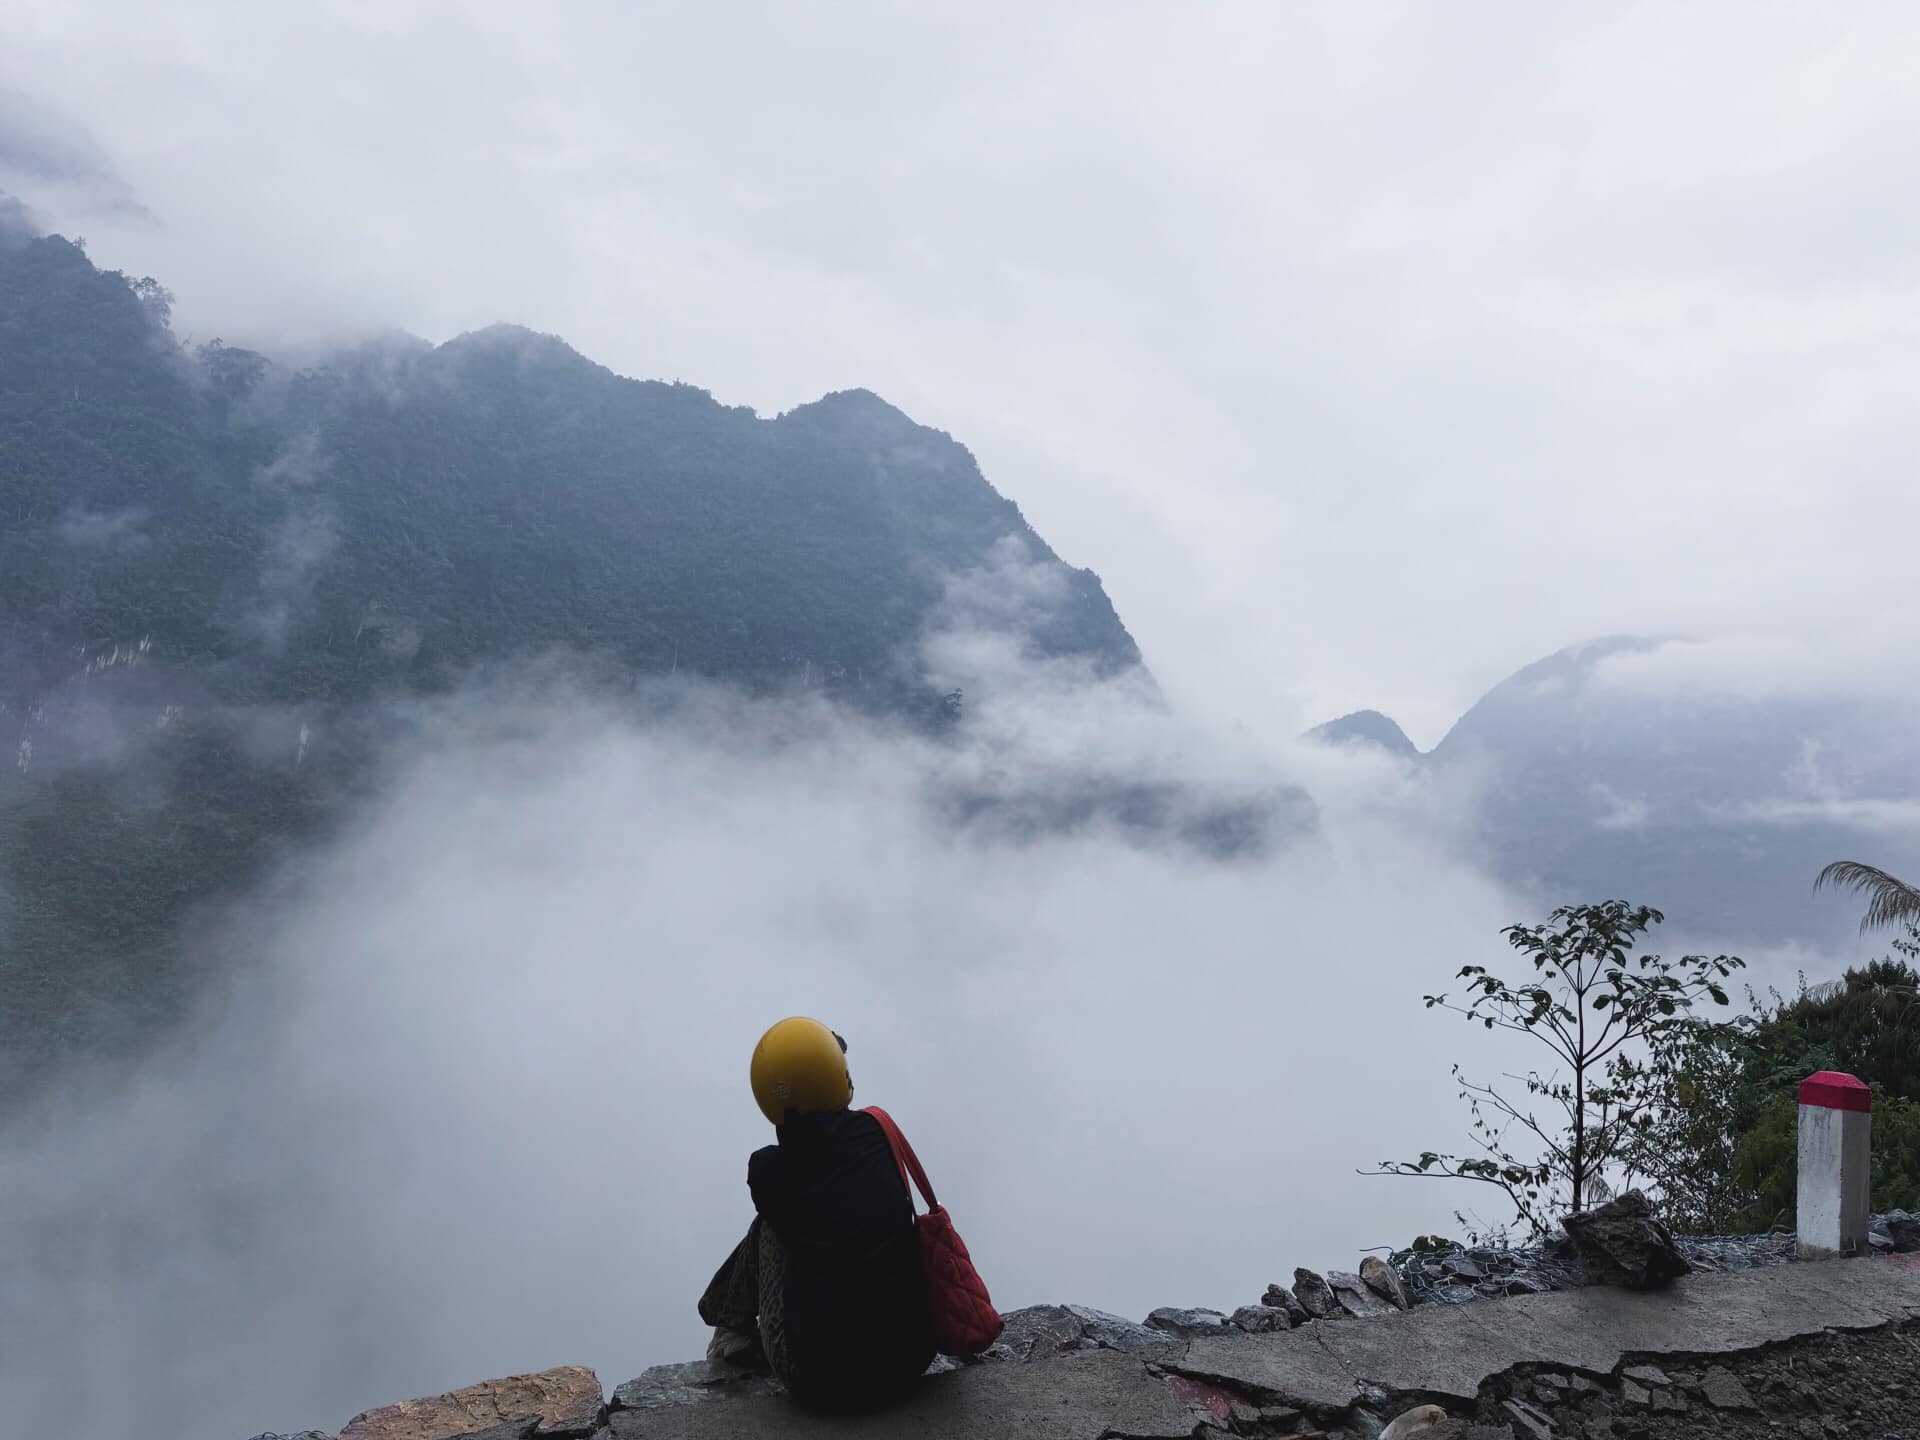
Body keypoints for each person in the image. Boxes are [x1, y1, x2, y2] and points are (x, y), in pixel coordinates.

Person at [698, 1017, 936, 1411]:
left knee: (769, 1227)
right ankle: (724, 1320)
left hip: (819, 1380)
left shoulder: (767, 1170)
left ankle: (730, 1332)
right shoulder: (878, 1133)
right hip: (910, 1362)